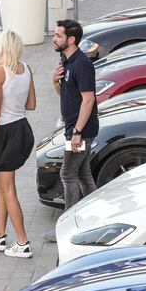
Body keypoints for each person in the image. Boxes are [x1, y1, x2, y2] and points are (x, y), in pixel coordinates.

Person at [0, 30, 37, 259]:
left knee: (8, 188)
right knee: (0, 184)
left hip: (5, 132)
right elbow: (31, 104)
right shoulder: (26, 69)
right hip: (22, 128)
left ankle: (22, 243)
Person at [52, 19, 99, 211]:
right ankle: (95, 216)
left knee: (68, 174)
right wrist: (55, 80)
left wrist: (77, 132)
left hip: (80, 130)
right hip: (75, 128)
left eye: (58, 36)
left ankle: (68, 223)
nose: (54, 39)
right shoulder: (67, 61)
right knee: (83, 174)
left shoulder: (82, 64)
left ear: (71, 39)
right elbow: (66, 94)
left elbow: (89, 100)